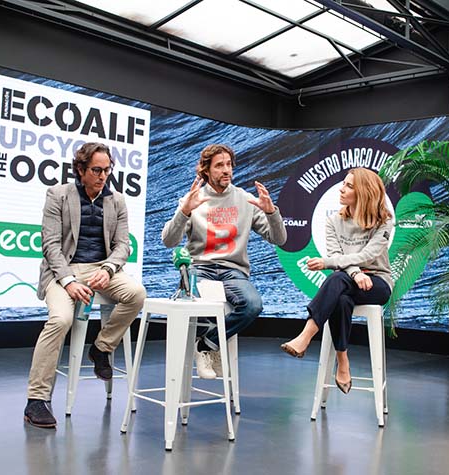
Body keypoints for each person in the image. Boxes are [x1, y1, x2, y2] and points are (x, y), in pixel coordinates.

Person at [24, 142, 146, 429]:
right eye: (96, 170)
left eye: (107, 170)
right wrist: (67, 281)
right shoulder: (58, 195)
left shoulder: (116, 200)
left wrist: (108, 268)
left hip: (100, 270)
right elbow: (51, 246)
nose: (103, 176)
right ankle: (36, 400)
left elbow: (123, 245)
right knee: (60, 319)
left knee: (136, 294)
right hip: (62, 271)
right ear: (80, 169)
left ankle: (101, 348)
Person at [162, 144, 287, 379]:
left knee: (253, 304)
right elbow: (169, 241)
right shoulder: (193, 200)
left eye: (229, 165)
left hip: (233, 272)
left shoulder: (245, 199)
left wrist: (272, 213)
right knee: (205, 306)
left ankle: (207, 345)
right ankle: (215, 346)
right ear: (206, 170)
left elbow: (279, 239)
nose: (226, 170)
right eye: (219, 165)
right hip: (200, 269)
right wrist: (184, 212)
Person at [280, 167, 393, 394]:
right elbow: (336, 256)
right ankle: (342, 360)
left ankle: (306, 334)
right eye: (344, 183)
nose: (342, 189)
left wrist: (338, 266)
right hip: (350, 279)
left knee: (336, 276)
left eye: (349, 186)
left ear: (364, 192)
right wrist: (354, 273)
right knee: (340, 297)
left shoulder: (383, 222)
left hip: (377, 282)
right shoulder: (333, 220)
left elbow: (367, 256)